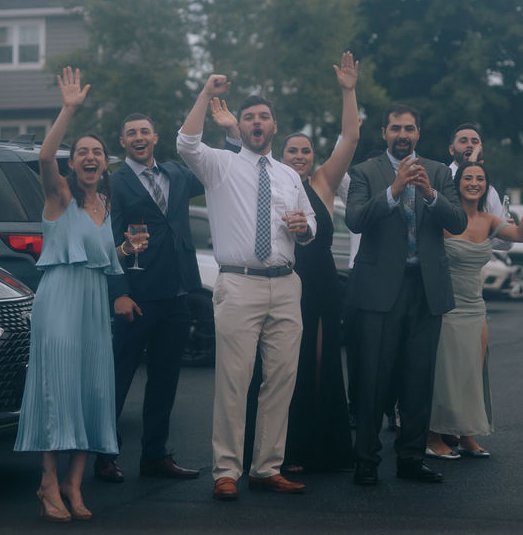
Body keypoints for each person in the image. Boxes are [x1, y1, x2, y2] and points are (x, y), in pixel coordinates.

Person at [177, 74, 317, 501]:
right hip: (239, 283)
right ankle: (226, 471)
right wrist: (206, 93)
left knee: (281, 379)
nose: (258, 121)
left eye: (265, 116)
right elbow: (185, 144)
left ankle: (266, 468)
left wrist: (303, 229)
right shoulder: (220, 164)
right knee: (235, 380)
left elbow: (310, 226)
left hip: (286, 285)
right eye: (250, 116)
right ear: (241, 125)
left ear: (274, 126)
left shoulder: (289, 176)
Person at [14, 67, 127, 523]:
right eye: (82, 151)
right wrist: (68, 110)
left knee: (92, 389)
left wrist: (124, 250)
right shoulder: (59, 195)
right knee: (57, 388)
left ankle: (73, 486)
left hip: (95, 305)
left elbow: (98, 256)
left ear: (105, 164)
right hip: (59, 300)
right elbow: (44, 156)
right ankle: (46, 482)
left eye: (96, 152)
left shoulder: (106, 206)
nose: (89, 157)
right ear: (73, 162)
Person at [345, 104, 465, 487]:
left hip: (425, 288)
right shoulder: (365, 172)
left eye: (409, 128)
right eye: (395, 128)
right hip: (380, 292)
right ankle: (366, 461)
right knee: (372, 380)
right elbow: (355, 219)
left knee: (418, 381)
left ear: (418, 133)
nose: (402, 134)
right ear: (383, 132)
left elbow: (458, 221)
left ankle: (411, 458)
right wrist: (394, 190)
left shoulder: (439, 172)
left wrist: (430, 194)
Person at [93, 113, 203, 484]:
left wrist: (233, 135)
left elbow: (215, 170)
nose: (138, 137)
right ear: (123, 142)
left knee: (165, 380)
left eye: (144, 131)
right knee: (119, 377)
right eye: (130, 134)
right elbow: (108, 243)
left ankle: (155, 454)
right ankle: (105, 456)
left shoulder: (176, 173)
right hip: (137, 296)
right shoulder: (116, 182)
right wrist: (119, 293)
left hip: (177, 294)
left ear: (156, 137)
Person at [278, 52, 360, 472]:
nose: (299, 155)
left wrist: (348, 91)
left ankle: (327, 449)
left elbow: (350, 138)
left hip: (323, 280)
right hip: (285, 281)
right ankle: (290, 449)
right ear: (282, 153)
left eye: (305, 150)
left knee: (322, 358)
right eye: (292, 149)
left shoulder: (324, 181)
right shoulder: (270, 180)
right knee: (289, 362)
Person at [426, 164, 523, 459]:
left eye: (480, 179)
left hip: (475, 306)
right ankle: (432, 436)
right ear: (457, 183)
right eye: (468, 178)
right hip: (446, 307)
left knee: (472, 372)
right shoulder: (443, 217)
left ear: (486, 186)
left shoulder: (490, 220)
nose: (474, 183)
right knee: (444, 373)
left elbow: (522, 235)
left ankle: (467, 434)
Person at [448, 123, 512, 251]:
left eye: (475, 142)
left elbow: (505, 243)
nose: (470, 145)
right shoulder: (440, 177)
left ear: (481, 149)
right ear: (451, 150)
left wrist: (484, 233)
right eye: (463, 141)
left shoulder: (489, 191)